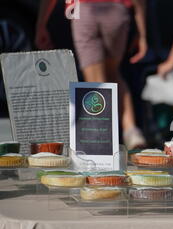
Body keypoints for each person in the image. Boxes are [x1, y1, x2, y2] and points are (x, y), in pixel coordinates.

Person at [35, 0, 148, 150]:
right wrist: (142, 33)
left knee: (95, 83)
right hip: (116, 11)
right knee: (113, 73)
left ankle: (103, 140)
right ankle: (131, 131)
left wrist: (41, 23)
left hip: (85, 11)